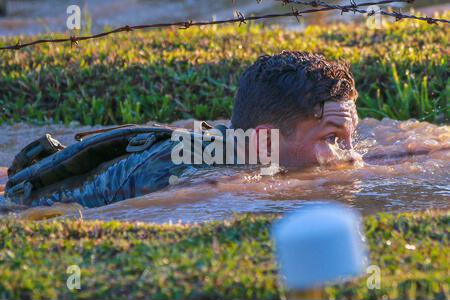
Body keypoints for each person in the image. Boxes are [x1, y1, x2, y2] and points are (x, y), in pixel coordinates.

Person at [5, 51, 359, 208]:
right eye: (332, 139)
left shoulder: (238, 148)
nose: (352, 156)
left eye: (348, 139)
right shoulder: (207, 177)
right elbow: (223, 190)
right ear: (265, 139)